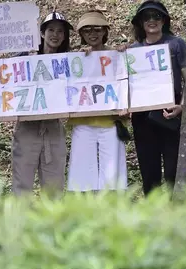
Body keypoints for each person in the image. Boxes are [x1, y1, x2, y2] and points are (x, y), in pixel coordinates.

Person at [129, 0, 186, 196]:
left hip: (170, 111)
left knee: (173, 171)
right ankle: (153, 218)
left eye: (156, 16)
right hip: (142, 116)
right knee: (149, 172)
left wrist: (182, 106)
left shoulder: (176, 44)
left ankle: (178, 216)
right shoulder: (133, 51)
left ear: (164, 21)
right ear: (140, 23)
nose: (152, 20)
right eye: (147, 17)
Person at [66, 10, 129, 192]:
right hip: (83, 121)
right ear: (82, 35)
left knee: (113, 173)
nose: (92, 34)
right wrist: (79, 57)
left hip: (111, 121)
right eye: (87, 30)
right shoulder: (76, 58)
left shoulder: (116, 55)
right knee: (81, 172)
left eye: (97, 29)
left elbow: (126, 82)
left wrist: (122, 55)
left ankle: (112, 209)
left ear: (104, 32)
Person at [11, 12, 72, 197]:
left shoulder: (69, 62)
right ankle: (20, 224)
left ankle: (53, 224)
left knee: (54, 186)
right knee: (22, 184)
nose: (55, 35)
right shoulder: (26, 58)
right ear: (43, 34)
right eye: (51, 30)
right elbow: (6, 78)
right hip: (27, 127)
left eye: (60, 31)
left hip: (53, 127)